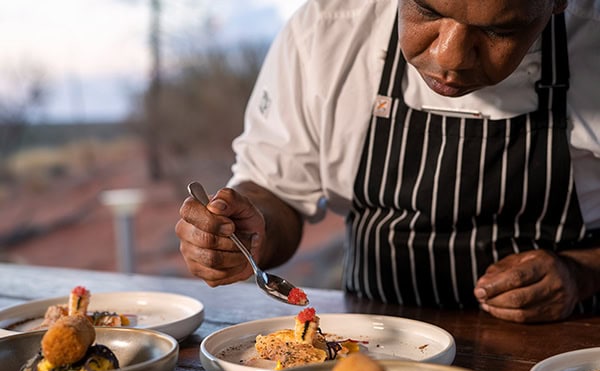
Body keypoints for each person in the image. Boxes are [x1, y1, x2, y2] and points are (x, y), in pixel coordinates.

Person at [176, 0, 600, 323]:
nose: (450, 56)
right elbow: (275, 191)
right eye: (426, 10)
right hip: (372, 344)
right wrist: (250, 231)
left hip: (564, 363)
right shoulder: (329, 31)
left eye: (498, 29)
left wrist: (581, 273)